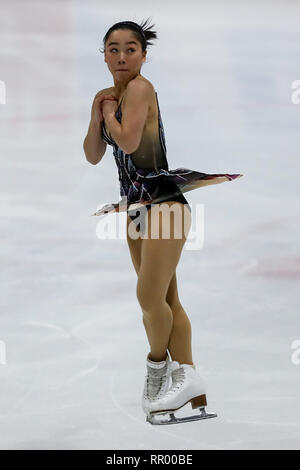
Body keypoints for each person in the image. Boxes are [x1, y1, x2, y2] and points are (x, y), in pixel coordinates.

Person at [83, 18, 242, 424]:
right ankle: (191, 383)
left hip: (165, 204)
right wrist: (96, 113)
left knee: (148, 298)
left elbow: (130, 142)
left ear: (143, 55)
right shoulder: (106, 95)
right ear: (102, 54)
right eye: (113, 49)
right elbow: (92, 154)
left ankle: (160, 369)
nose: (121, 57)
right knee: (166, 300)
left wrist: (109, 116)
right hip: (136, 206)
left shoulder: (141, 88)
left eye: (130, 49)